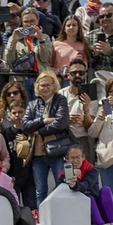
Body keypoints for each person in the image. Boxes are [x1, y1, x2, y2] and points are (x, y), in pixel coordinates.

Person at [22, 70, 72, 206]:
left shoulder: (60, 100)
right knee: (40, 190)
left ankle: (61, 215)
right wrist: (43, 121)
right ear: (38, 86)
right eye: (42, 85)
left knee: (61, 186)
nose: (45, 88)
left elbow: (61, 123)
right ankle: (43, 219)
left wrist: (40, 131)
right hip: (38, 153)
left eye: (48, 85)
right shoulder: (32, 104)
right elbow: (25, 126)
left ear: (54, 86)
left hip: (57, 151)